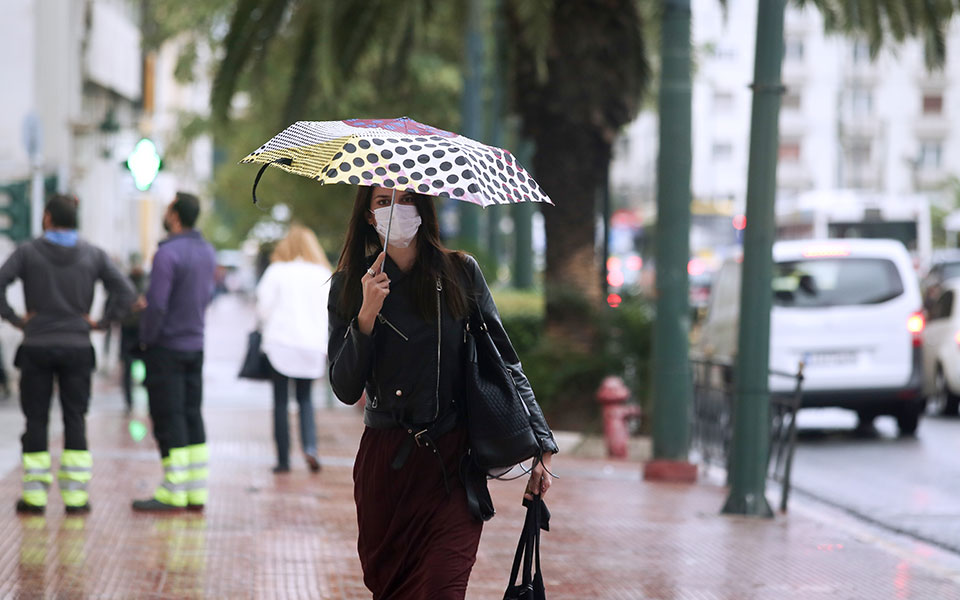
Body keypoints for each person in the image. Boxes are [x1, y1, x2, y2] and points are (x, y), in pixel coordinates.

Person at [328, 185, 559, 599]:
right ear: (368, 215)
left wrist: (540, 444)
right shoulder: (349, 285)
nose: (397, 208)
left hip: (451, 465)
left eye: (409, 199)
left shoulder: (459, 273)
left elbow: (504, 360)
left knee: (442, 587)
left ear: (425, 207)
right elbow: (344, 387)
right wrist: (366, 314)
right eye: (383, 202)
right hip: (386, 467)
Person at [0, 194, 136, 514]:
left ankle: (34, 497)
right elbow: (127, 292)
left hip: (36, 347)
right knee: (75, 417)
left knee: (36, 419)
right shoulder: (93, 255)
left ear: (47, 218)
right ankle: (76, 498)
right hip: (78, 347)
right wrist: (102, 322)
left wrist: (17, 319)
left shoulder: (28, 253)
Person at [132, 192, 216, 512]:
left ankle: (173, 490)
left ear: (175, 217)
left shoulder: (167, 254)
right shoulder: (207, 252)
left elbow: (156, 306)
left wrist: (145, 340)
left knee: (169, 416)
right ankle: (196, 492)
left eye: (168, 211)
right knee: (192, 413)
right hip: (195, 345)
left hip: (166, 347)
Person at [255, 224, 332, 473]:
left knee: (280, 402)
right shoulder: (322, 273)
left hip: (281, 343)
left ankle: (283, 460)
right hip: (312, 346)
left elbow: (262, 307)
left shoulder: (277, 271)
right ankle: (310, 447)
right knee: (305, 399)